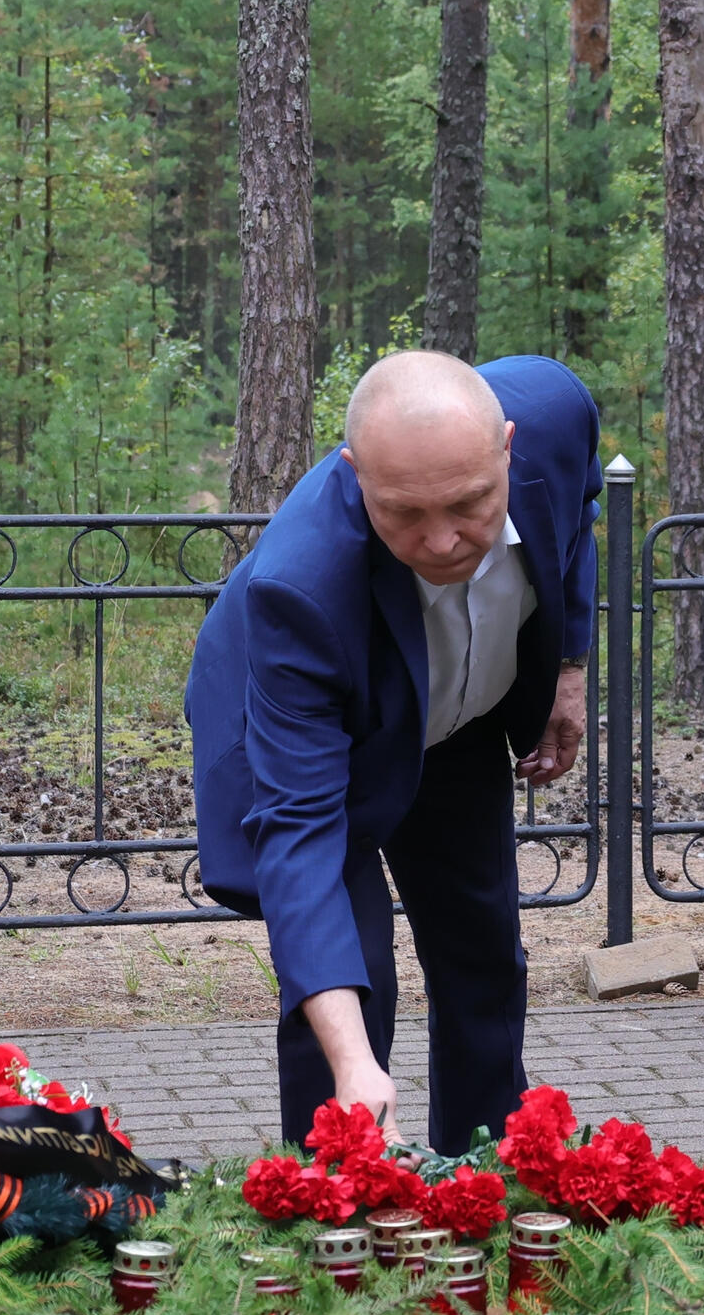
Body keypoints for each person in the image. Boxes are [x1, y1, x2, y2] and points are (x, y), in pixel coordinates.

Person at [185, 353, 598, 1153]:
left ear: (508, 447)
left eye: (470, 503)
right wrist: (355, 1065)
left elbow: (579, 511)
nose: (442, 540)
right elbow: (301, 838)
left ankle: (485, 1177)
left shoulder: (557, 413)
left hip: (458, 713)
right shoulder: (299, 588)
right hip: (319, 727)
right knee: (355, 972)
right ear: (355, 474)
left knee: (483, 951)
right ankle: (341, 1186)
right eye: (404, 512)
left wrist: (569, 664)